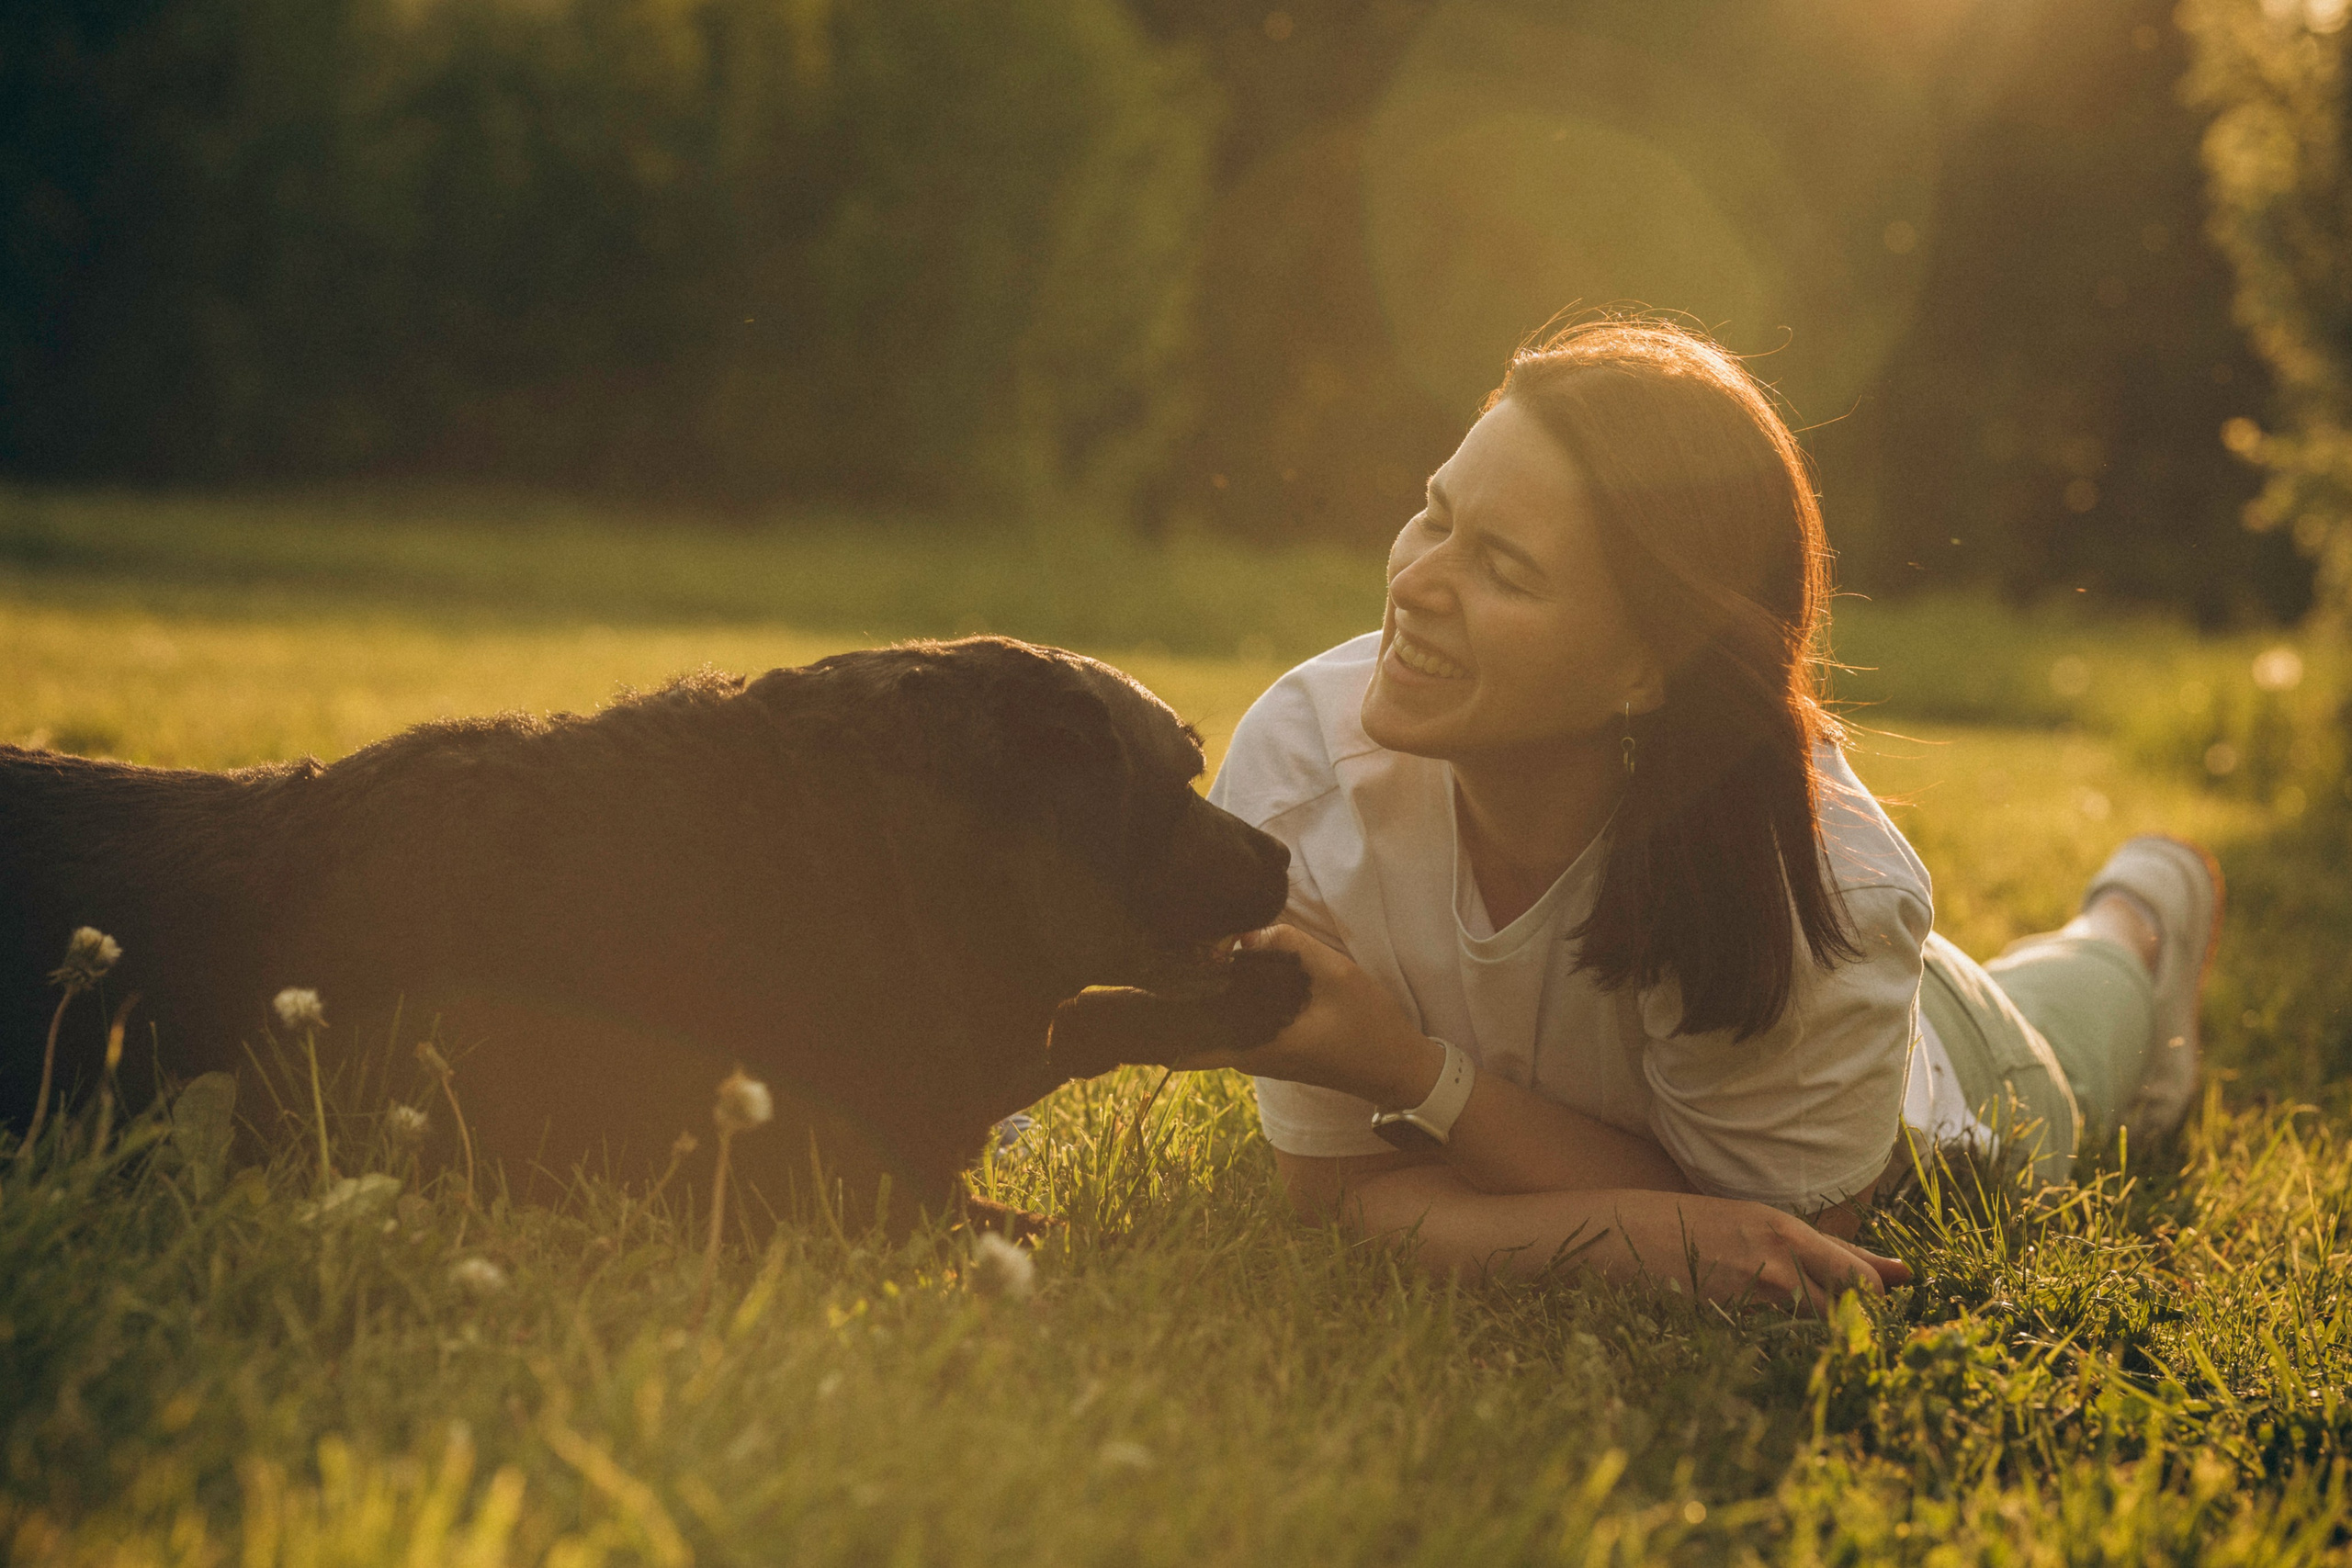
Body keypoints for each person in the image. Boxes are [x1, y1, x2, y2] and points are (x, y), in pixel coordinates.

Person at [1179, 317, 2224, 1314]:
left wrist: (1414, 1081)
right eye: (1436, 515)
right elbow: (1340, 1197)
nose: (1415, 581)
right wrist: (1634, 1218)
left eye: (1503, 567)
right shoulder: (1301, 782)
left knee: (2087, 1017)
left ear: (1646, 667)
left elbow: (1773, 1248)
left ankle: (2140, 914)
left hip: (1941, 1075)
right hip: (1790, 1032)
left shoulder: (1833, 902)